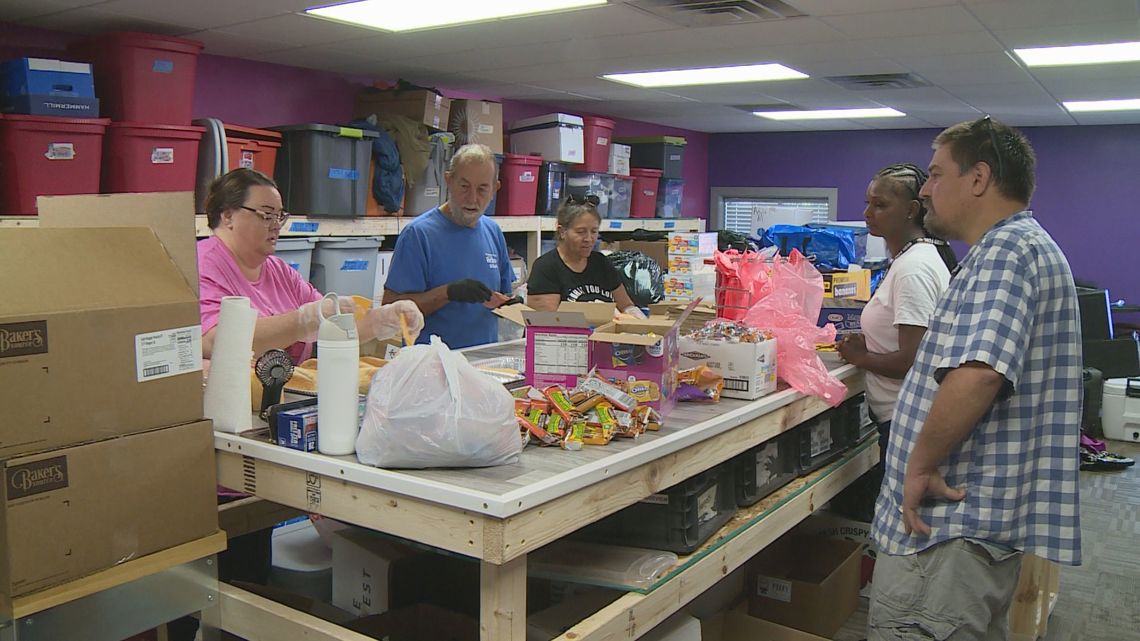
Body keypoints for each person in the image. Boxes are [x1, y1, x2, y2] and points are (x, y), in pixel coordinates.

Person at [869, 117, 1082, 641]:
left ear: (979, 178)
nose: (924, 188)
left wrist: (917, 466)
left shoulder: (1007, 254)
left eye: (937, 174)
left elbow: (979, 374)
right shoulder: (1013, 249)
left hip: (948, 531)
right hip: (973, 522)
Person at [198, 167, 424, 364]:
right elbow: (214, 341)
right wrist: (302, 321)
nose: (276, 226)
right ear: (228, 216)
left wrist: (382, 320)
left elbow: (334, 328)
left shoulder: (279, 271)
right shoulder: (203, 265)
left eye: (280, 216)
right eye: (266, 215)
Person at [837, 163, 957, 468]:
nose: (867, 213)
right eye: (868, 203)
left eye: (880, 205)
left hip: (910, 419)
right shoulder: (911, 259)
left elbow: (913, 361)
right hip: (903, 415)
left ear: (911, 210)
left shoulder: (913, 269)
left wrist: (860, 356)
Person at [382, 143, 514, 348]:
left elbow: (504, 296)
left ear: (494, 189)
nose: (472, 198)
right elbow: (390, 311)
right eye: (464, 186)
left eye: (482, 189)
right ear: (448, 180)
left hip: (482, 363)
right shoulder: (419, 234)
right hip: (431, 368)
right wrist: (448, 293)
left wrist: (512, 305)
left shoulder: (493, 232)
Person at [526, 194, 643, 317]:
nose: (589, 239)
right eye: (581, 232)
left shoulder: (601, 263)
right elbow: (547, 322)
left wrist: (638, 320)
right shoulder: (546, 267)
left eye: (594, 232)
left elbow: (626, 306)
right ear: (562, 232)